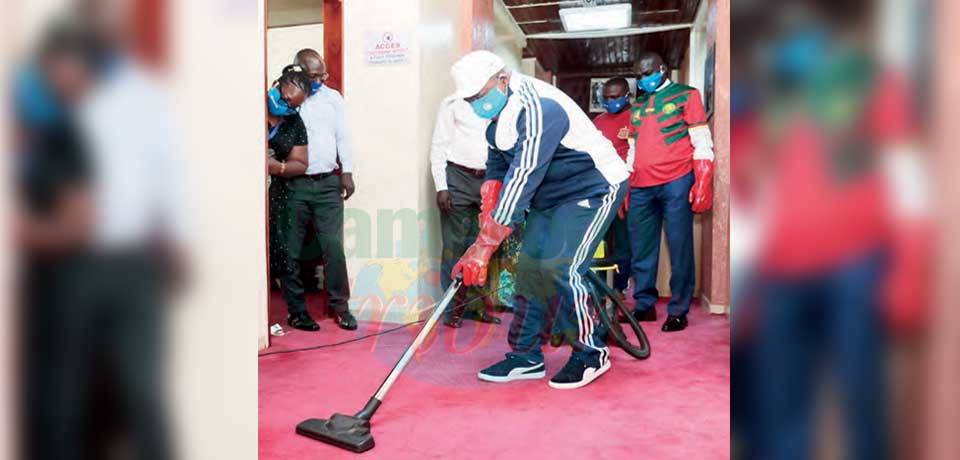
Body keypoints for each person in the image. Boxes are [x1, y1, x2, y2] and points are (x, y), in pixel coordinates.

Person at [450, 50, 629, 390]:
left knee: (559, 267)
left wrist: (484, 246)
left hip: (593, 186)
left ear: (502, 79)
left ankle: (591, 352)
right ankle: (526, 355)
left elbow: (523, 176)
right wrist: (489, 200)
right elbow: (499, 163)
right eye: (470, 99)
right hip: (549, 197)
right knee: (531, 269)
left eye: (480, 95)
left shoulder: (538, 107)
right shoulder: (497, 114)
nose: (476, 103)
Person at [624, 51, 715, 332]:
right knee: (641, 249)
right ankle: (644, 304)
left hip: (677, 179)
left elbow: (700, 138)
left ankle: (678, 309)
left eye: (647, 73)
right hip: (640, 184)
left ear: (662, 69)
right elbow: (632, 148)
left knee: (679, 246)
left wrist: (702, 180)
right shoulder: (636, 105)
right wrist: (627, 181)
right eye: (638, 75)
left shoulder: (687, 95)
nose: (643, 79)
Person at [279, 48, 356, 331]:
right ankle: (297, 311)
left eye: (321, 74)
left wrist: (346, 171)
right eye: (312, 76)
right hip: (294, 185)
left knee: (333, 248)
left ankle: (341, 307)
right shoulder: (284, 99)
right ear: (297, 71)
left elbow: (343, 136)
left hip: (327, 184)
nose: (319, 80)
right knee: (292, 250)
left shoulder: (332, 98)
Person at [430, 95, 502, 328]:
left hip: (489, 177)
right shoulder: (451, 103)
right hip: (458, 178)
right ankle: (453, 309)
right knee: (455, 246)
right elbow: (438, 145)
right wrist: (442, 186)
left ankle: (478, 307)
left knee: (485, 246)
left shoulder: (498, 102)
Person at [265, 66, 313, 330]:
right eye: (285, 100)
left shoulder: (294, 121)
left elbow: (300, 163)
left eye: (294, 104)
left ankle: (297, 311)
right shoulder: (253, 108)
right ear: (278, 86)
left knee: (286, 252)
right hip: (240, 196)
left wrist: (275, 167)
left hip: (278, 195)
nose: (287, 106)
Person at [591, 77, 634, 299]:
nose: (610, 101)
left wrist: (623, 189)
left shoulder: (637, 116)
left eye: (615, 97)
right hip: (599, 190)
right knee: (597, 241)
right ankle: (597, 288)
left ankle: (619, 287)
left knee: (623, 242)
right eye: (606, 98)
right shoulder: (598, 121)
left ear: (627, 95)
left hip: (626, 190)